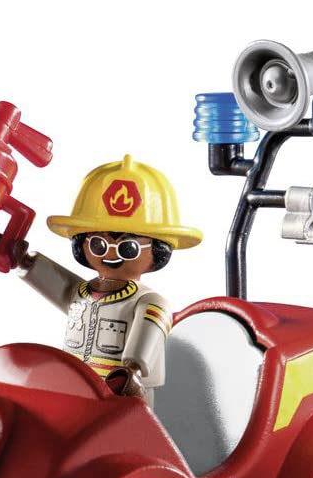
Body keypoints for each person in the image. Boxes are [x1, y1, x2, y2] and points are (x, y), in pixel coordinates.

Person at [13, 155, 202, 404]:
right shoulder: (82, 294)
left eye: (128, 248)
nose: (111, 254)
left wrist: (133, 371)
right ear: (82, 243)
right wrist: (26, 262)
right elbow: (60, 285)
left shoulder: (149, 302)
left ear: (158, 250)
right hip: (75, 386)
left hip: (122, 393)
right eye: (98, 244)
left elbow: (148, 336)